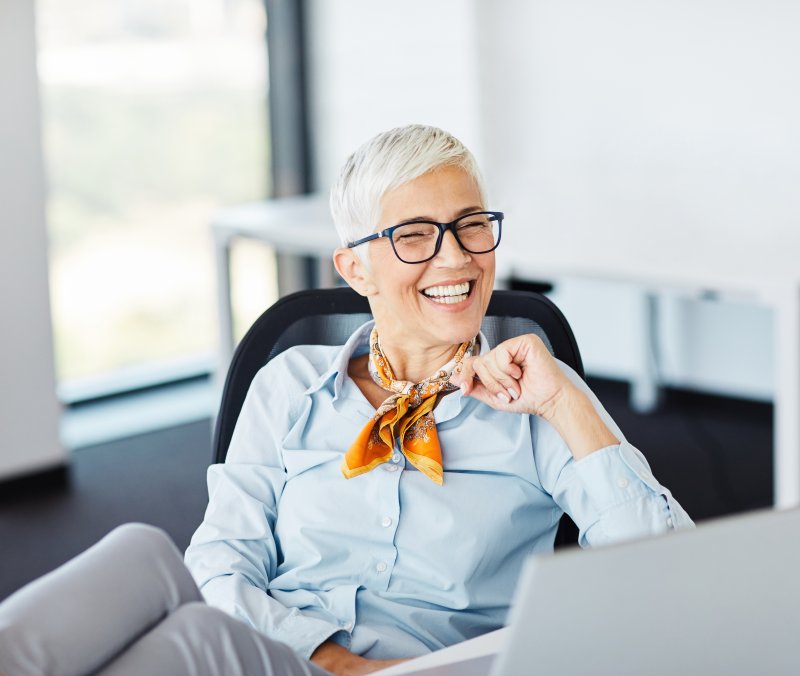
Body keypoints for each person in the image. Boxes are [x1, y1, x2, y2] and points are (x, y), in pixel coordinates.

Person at [0, 124, 693, 676]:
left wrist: (566, 403)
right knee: (141, 553)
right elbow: (220, 560)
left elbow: (674, 580)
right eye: (414, 236)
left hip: (425, 667)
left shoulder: (533, 400)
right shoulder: (289, 383)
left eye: (471, 225)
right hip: (281, 651)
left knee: (192, 640)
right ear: (353, 265)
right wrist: (324, 656)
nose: (455, 260)